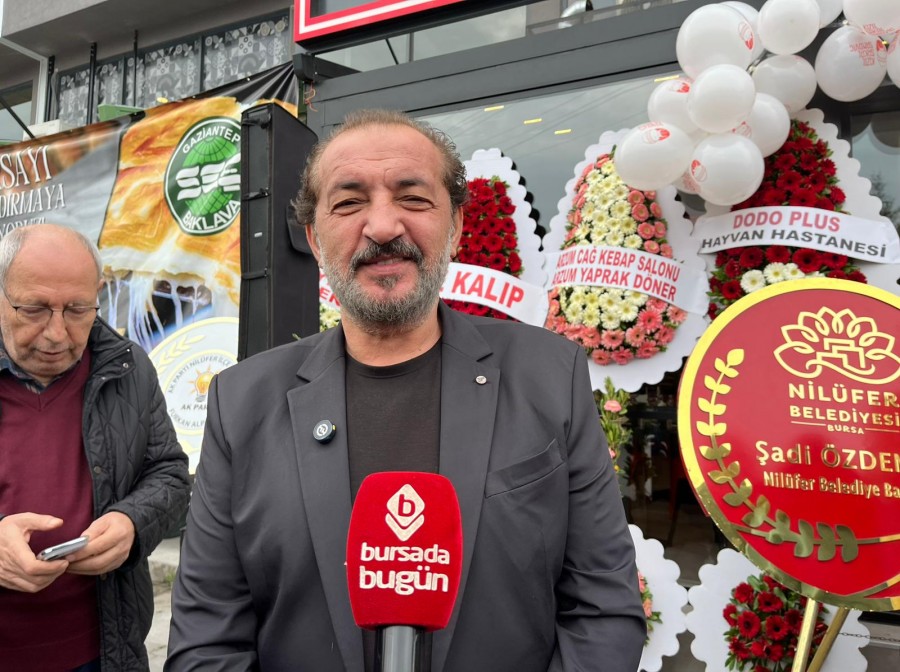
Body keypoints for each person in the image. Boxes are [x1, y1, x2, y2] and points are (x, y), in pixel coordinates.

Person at [166, 108, 646, 671]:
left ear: (456, 226)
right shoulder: (242, 402)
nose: (382, 227)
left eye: (413, 198)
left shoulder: (548, 375)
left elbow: (603, 610)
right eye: (349, 203)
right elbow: (206, 638)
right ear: (314, 239)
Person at [0, 224, 191, 671]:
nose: (57, 334)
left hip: (105, 652)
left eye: (77, 309)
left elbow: (168, 473)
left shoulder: (128, 368)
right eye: (34, 309)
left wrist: (132, 522)